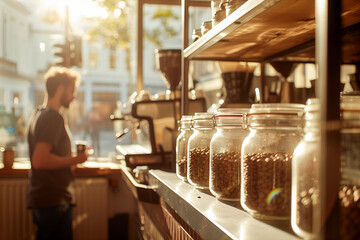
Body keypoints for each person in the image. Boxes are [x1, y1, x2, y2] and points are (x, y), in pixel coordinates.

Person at [27, 66, 91, 240]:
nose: (74, 95)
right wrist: (76, 159)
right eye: (72, 90)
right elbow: (40, 160)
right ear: (61, 89)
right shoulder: (53, 117)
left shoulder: (38, 114)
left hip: (45, 199)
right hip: (53, 201)